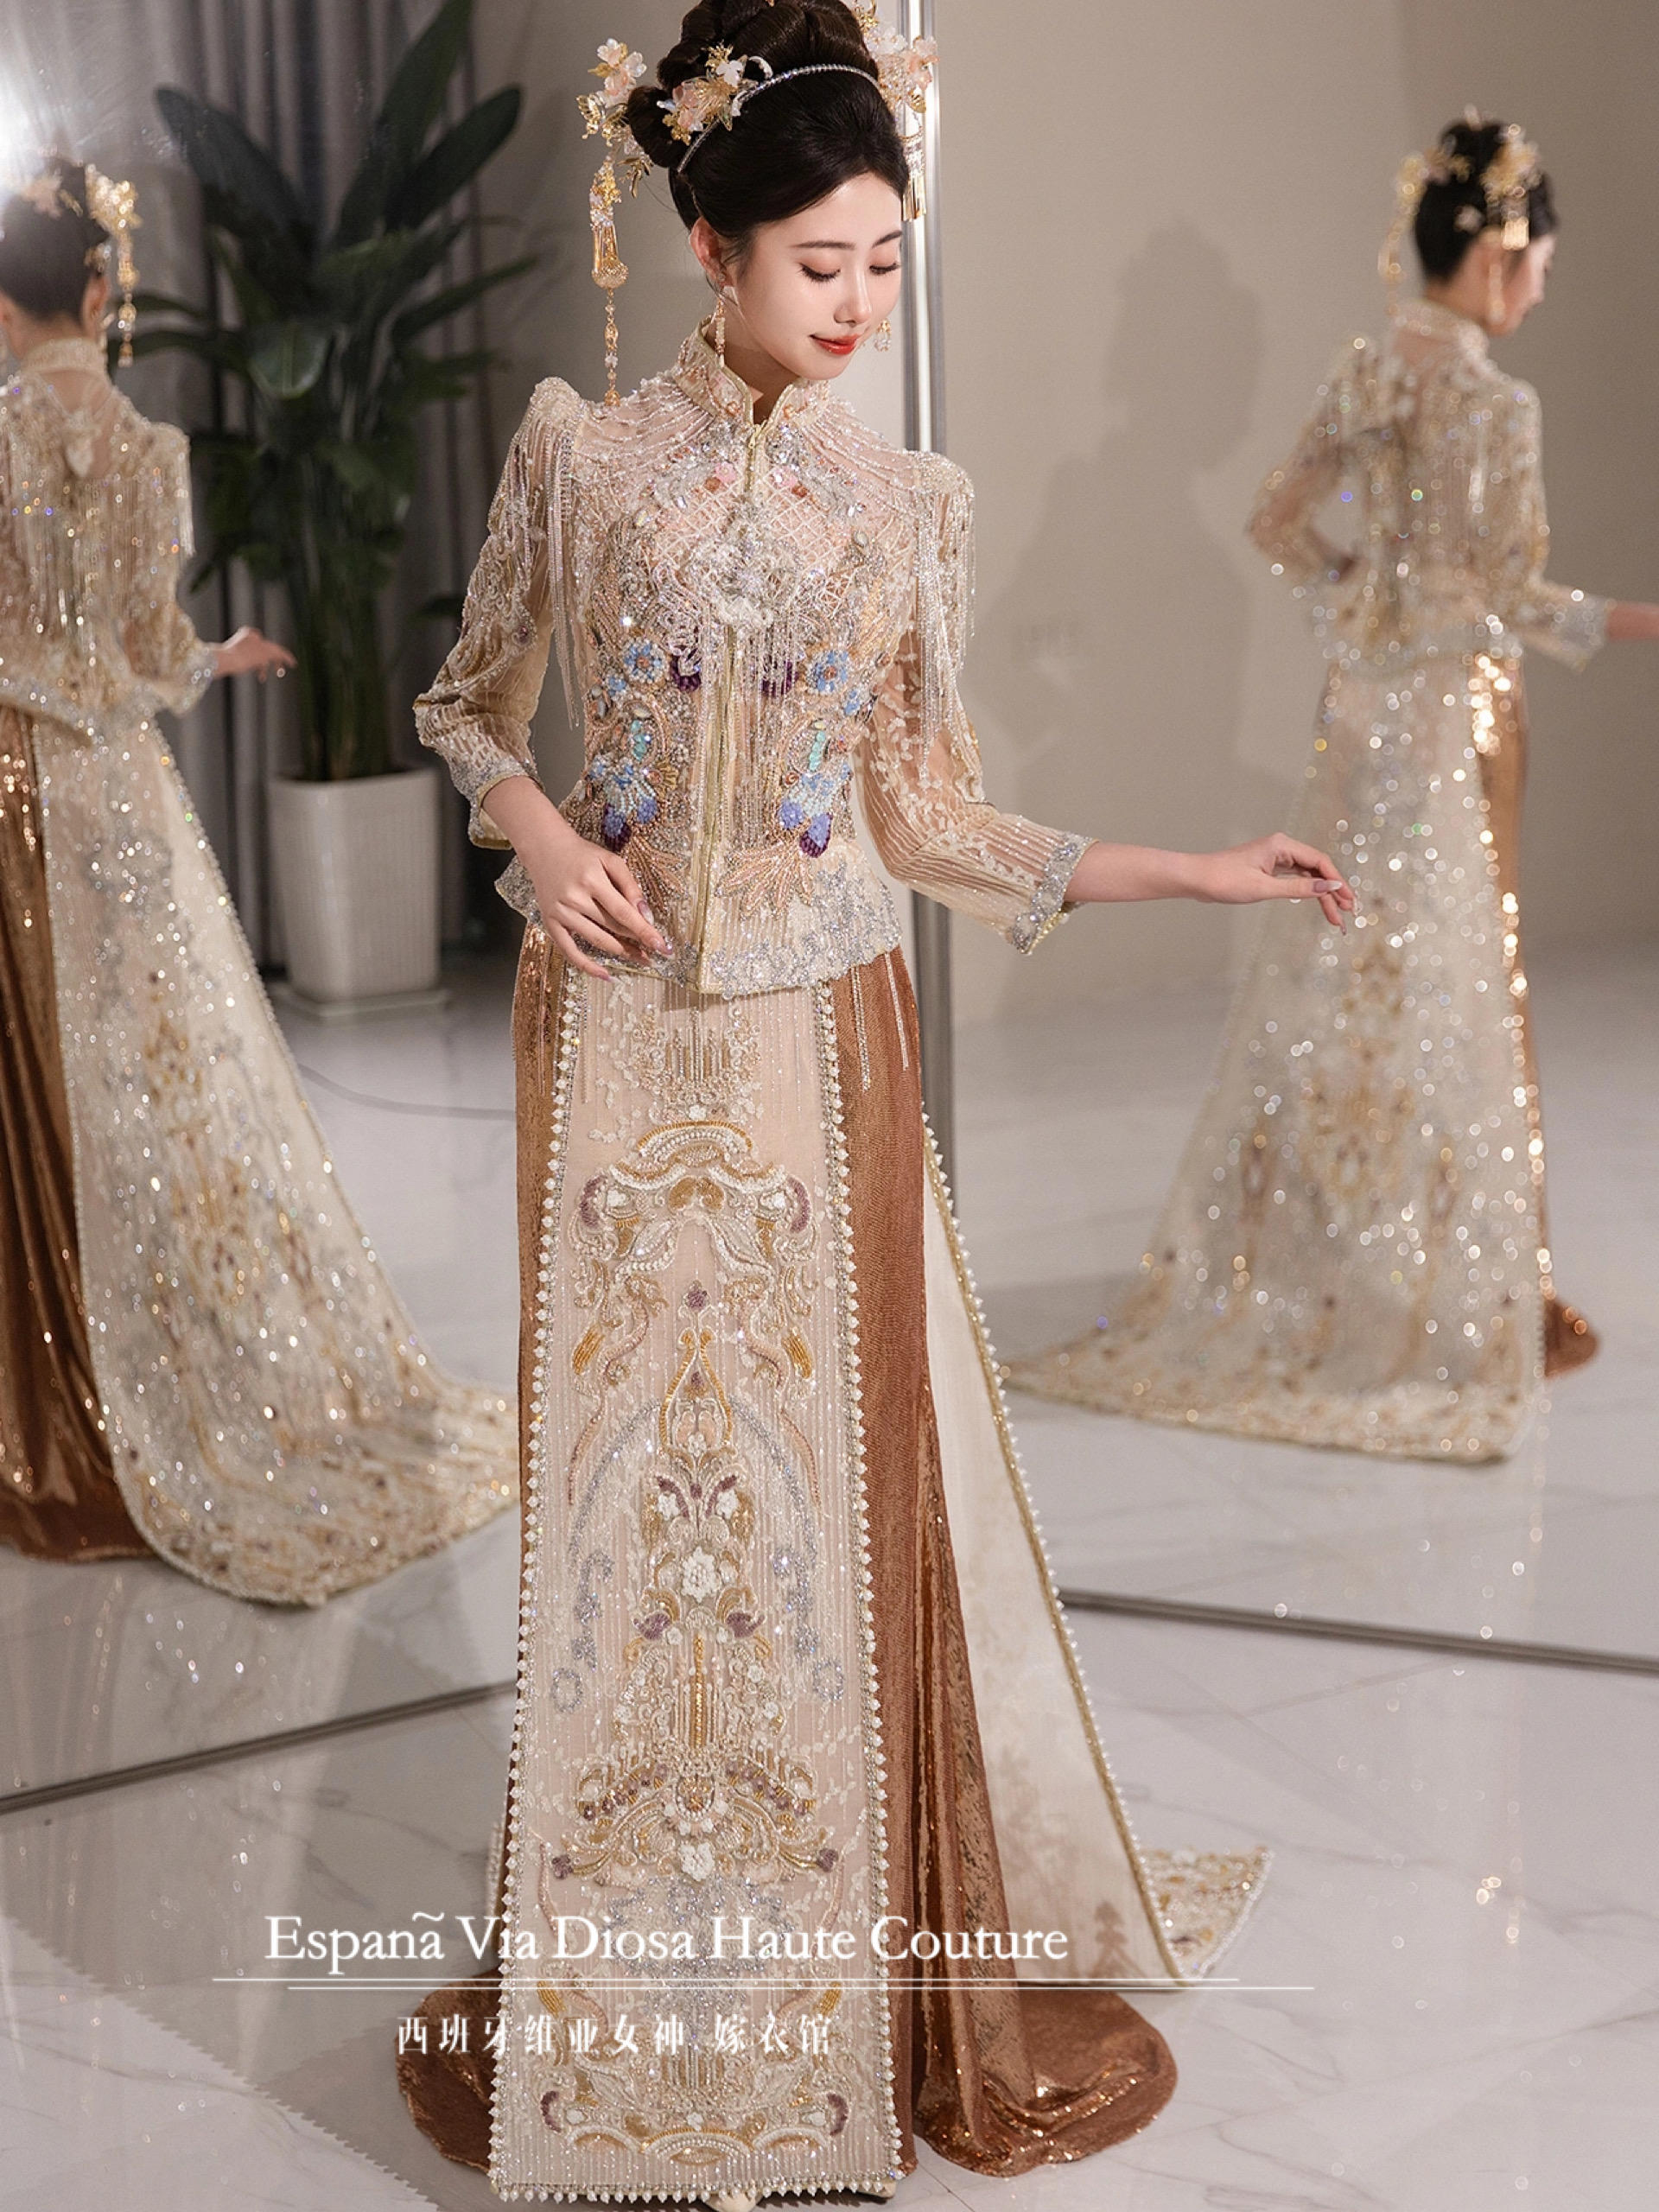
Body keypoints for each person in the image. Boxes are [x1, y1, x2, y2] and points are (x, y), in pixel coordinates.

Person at [393, 6, 1351, 2202]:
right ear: (712, 245)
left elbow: (927, 813)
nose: (858, 303)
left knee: (824, 1517)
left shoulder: (907, 502)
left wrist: (1185, 864)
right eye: (821, 261)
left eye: (887, 262)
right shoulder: (580, 459)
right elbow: (466, 702)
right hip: (612, 1043)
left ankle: (836, 2003)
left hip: (826, 1046)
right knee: (631, 1526)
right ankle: (643, 2000)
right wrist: (533, 831)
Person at [1013, 115, 1659, 1465]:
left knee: (1339, 972)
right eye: (1539, 265)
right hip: (1461, 716)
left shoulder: (1368, 370)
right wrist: (1637, 623)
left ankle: (1314, 1262)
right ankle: (1468, 1283)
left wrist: (1367, 606)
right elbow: (1515, 595)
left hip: (1365, 719)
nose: (1541, 290)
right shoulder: (1498, 406)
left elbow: (1276, 519)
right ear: (1497, 251)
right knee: (1464, 980)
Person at [0, 156, 516, 1600]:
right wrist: (215, 656)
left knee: (39, 1085)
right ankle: (181, 1346)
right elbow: (144, 647)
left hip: (13, 786)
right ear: (100, 289)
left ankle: (58, 1382)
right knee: (154, 1076)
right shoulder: (151, 448)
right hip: (119, 795)